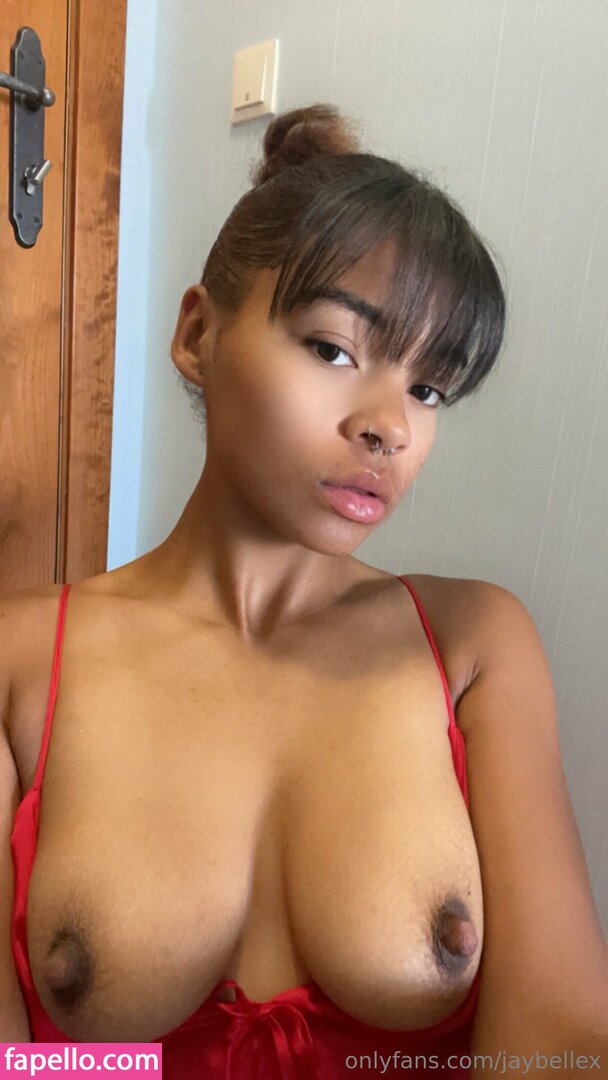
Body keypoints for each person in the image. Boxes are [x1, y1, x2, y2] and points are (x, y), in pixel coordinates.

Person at [1, 103, 606, 1079]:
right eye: (333, 349)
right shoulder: (19, 660)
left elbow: (559, 1043)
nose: (389, 426)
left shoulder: (474, 646)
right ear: (196, 334)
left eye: (428, 388)